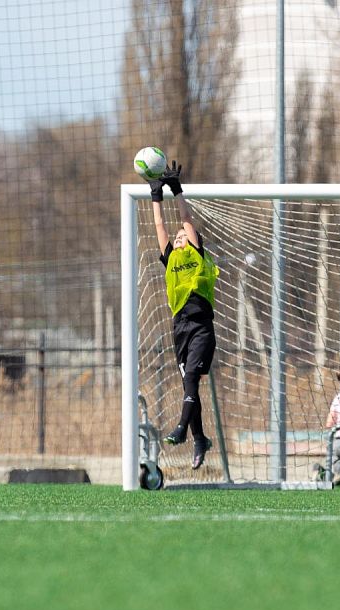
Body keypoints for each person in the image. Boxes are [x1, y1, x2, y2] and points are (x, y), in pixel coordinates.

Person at [149, 160, 220, 470]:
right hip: (179, 328)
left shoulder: (195, 255)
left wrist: (176, 190)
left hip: (202, 327)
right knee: (189, 386)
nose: (178, 240)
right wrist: (155, 196)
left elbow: (186, 218)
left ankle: (181, 429)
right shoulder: (170, 259)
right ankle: (200, 438)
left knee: (192, 379)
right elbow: (160, 228)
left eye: (183, 238)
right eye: (176, 239)